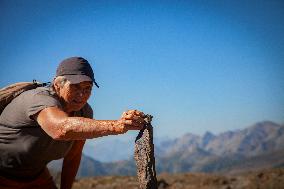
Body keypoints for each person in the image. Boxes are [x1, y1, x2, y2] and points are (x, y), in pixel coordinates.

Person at [0, 57, 146, 189]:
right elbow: (60, 128)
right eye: (75, 87)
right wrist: (116, 125)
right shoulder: (39, 99)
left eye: (87, 88)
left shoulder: (84, 112)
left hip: (36, 176)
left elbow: (73, 157)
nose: (82, 95)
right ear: (58, 85)